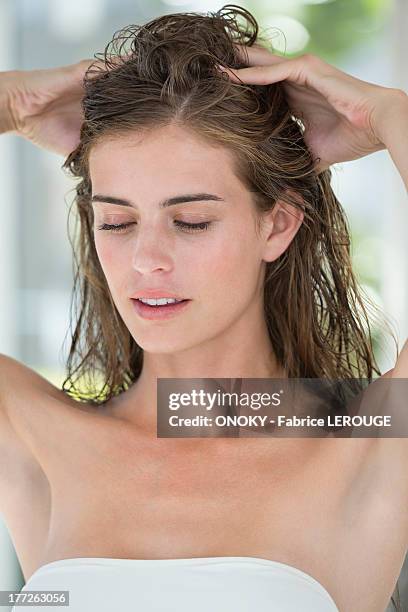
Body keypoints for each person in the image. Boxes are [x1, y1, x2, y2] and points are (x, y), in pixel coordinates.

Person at [0, 5, 407, 611]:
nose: (147, 260)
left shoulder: (367, 445)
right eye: (117, 221)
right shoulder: (35, 432)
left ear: (278, 226)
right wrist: (11, 103)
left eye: (190, 222)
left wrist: (388, 112)